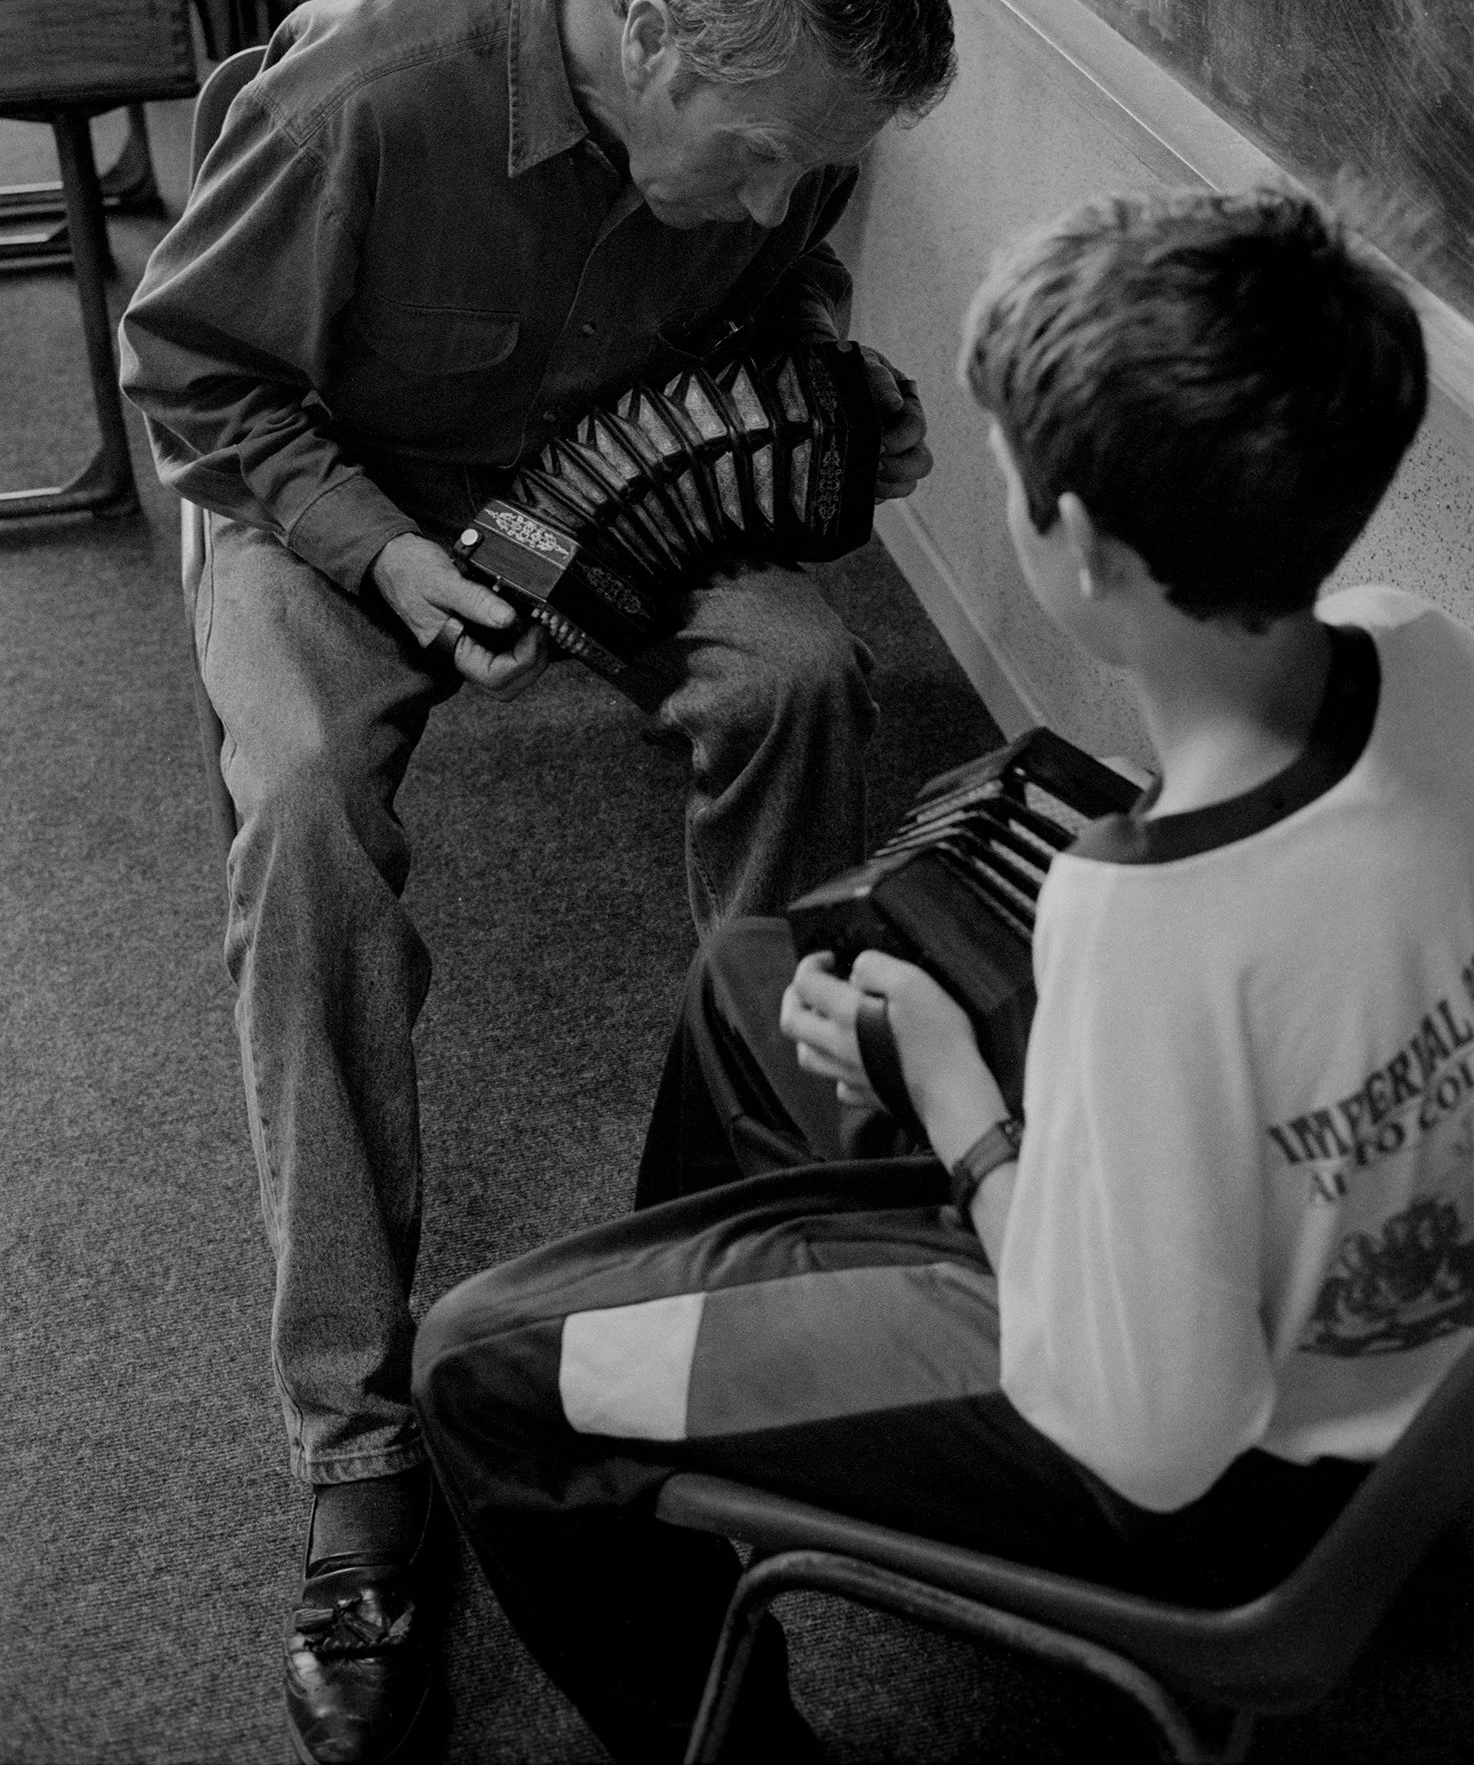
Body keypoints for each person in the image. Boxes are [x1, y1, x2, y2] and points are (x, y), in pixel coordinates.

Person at [412, 186, 1474, 1762]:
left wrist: (965, 1108)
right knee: (758, 975)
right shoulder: (1423, 644)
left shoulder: (1149, 920)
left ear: (1079, 548)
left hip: (1222, 1484)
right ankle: (728, 1364)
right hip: (1377, 1336)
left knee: (475, 1365)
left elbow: (1148, 1432)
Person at [117, 0, 956, 1763]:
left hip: (611, 493)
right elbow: (188, 371)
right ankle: (352, 1441)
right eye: (756, 155)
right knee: (315, 808)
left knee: (808, 675)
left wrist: (829, 397)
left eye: (803, 168)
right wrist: (386, 557)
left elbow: (781, 275)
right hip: (330, 497)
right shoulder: (364, 90)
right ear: (647, 29)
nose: (775, 196)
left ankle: (742, 1224)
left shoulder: (768, 121)